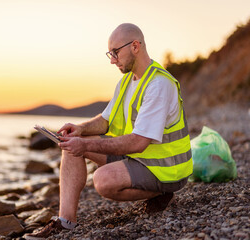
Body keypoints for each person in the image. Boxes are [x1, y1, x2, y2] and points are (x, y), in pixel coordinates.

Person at [24, 23, 192, 240]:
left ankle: (162, 193)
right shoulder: (126, 82)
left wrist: (85, 144)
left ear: (135, 46)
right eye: (109, 54)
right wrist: (80, 130)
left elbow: (139, 142)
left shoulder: (158, 85)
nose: (112, 59)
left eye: (115, 52)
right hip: (140, 158)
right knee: (71, 143)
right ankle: (65, 222)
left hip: (166, 169)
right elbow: (105, 121)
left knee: (103, 180)